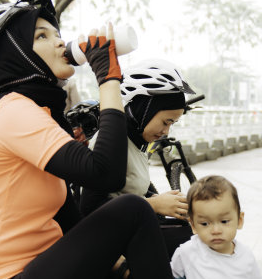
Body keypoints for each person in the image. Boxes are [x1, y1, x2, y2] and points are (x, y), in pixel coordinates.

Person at [0, 0, 183, 279]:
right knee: (132, 209)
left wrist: (122, 266)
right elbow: (105, 174)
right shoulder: (10, 111)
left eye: (57, 34)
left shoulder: (41, 115)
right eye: (41, 36)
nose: (60, 42)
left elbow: (70, 219)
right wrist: (108, 79)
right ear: (14, 55)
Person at [80, 59, 195, 257]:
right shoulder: (112, 143)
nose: (166, 131)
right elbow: (90, 209)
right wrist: (155, 205)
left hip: (131, 231)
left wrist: (161, 200)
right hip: (111, 245)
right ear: (144, 110)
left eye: (172, 124)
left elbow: (128, 191)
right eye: (165, 122)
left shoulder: (136, 142)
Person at [171, 175, 262, 279]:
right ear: (193, 225)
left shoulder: (246, 258)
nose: (216, 230)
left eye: (224, 221)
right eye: (205, 223)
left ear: (240, 220)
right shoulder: (187, 253)